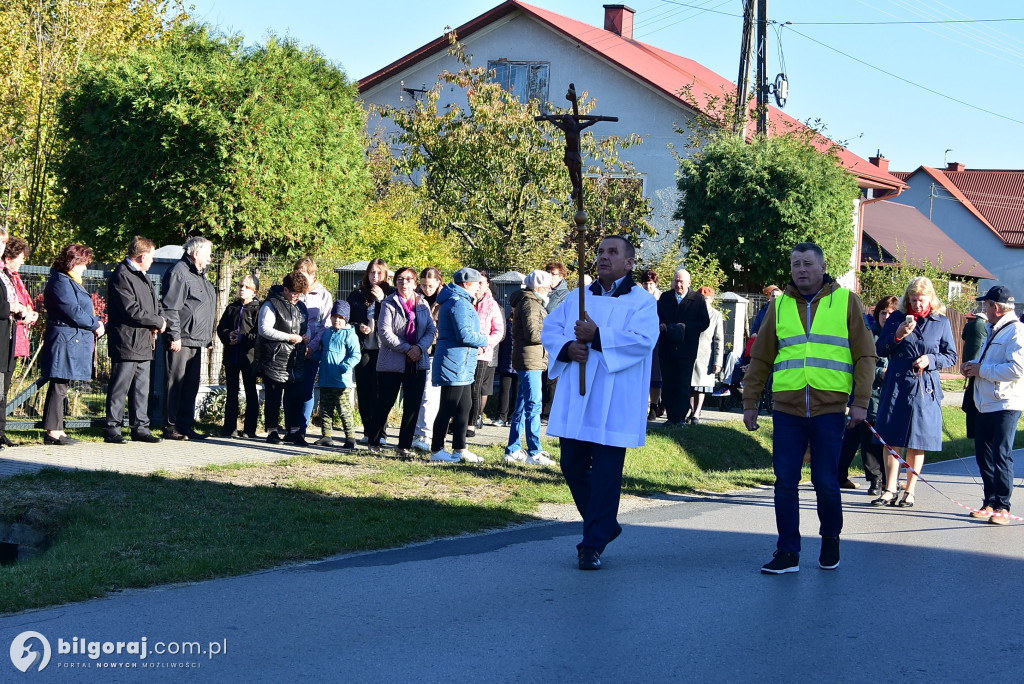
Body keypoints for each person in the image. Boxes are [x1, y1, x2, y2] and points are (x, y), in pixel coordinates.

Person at [743, 242, 876, 574]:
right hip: (787, 408)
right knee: (784, 481)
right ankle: (788, 551)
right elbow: (761, 358)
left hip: (830, 409)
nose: (800, 269)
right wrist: (750, 403)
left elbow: (866, 356)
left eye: (806, 263)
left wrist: (861, 402)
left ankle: (830, 538)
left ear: (822, 266)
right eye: (795, 264)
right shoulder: (780, 305)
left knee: (825, 481)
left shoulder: (846, 301)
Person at [542, 236, 659, 570]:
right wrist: (568, 348)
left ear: (630, 262)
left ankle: (591, 545)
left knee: (607, 473)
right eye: (600, 252)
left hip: (615, 398)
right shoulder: (578, 297)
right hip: (578, 398)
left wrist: (597, 338)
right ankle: (604, 524)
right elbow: (553, 329)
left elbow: (643, 341)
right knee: (572, 465)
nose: (603, 257)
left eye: (612, 252)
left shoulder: (641, 302)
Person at [872, 276, 957, 508]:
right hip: (897, 386)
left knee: (917, 440)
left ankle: (910, 490)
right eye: (913, 299)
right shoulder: (897, 319)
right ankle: (889, 489)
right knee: (891, 439)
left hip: (924, 387)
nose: (917, 304)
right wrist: (898, 335)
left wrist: (931, 359)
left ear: (930, 298)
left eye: (921, 300)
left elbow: (951, 356)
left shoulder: (940, 321)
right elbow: (880, 348)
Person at [961, 285, 1024, 525]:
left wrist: (981, 370)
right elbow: (989, 359)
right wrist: (972, 365)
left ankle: (1003, 507)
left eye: (985, 305)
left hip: (1006, 403)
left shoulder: (1017, 331)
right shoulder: (993, 329)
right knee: (983, 455)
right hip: (984, 402)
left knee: (1001, 454)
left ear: (995, 307)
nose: (983, 309)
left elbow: (1017, 369)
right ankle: (989, 501)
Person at [366, 267, 436, 457]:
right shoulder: (389, 303)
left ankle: (403, 446)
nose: (403, 283)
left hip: (417, 362)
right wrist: (408, 349)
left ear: (415, 283)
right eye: (399, 279)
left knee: (413, 405)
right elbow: (385, 333)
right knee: (385, 403)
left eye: (408, 279)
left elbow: (431, 329)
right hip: (392, 363)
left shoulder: (422, 304)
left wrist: (419, 348)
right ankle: (374, 441)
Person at [40, 244, 105, 445]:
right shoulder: (60, 281)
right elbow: (73, 310)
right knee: (59, 384)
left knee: (62, 384)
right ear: (73, 261)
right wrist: (95, 324)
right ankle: (53, 432)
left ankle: (58, 429)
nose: (85, 268)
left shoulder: (69, 281)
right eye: (83, 263)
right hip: (64, 339)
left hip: (70, 339)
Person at [104, 236, 165, 444]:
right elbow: (131, 310)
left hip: (144, 340)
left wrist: (159, 320)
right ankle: (113, 428)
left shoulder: (143, 276)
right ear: (142, 256)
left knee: (141, 387)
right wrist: (156, 320)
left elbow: (155, 304)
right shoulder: (122, 276)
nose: (153, 261)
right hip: (127, 340)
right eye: (151, 257)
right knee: (120, 385)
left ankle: (140, 427)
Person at [838, 295, 898, 494]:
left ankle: (886, 480)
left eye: (891, 313)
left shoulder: (899, 335)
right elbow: (861, 364)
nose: (887, 316)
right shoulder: (870, 335)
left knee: (858, 436)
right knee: (868, 437)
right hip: (869, 394)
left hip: (891, 396)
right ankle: (875, 480)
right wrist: (881, 373)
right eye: (883, 312)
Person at [430, 267, 489, 463]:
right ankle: (437, 450)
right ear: (466, 284)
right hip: (454, 362)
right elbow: (464, 334)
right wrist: (484, 339)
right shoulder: (459, 303)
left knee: (465, 404)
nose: (480, 287)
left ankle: (460, 448)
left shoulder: (460, 301)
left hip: (461, 362)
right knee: (448, 406)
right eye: (477, 283)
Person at [161, 236, 215, 441]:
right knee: (175, 383)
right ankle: (171, 426)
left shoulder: (200, 275)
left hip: (197, 339)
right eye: (208, 253)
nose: (210, 258)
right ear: (196, 253)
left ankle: (185, 425)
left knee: (191, 385)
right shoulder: (179, 273)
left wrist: (207, 337)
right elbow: (171, 307)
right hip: (181, 339)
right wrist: (174, 335)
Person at [504, 269, 555, 466]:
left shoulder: (528, 302)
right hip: (530, 359)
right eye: (548, 286)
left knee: (523, 406)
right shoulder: (531, 304)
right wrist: (552, 330)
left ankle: (513, 449)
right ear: (540, 287)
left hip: (529, 358)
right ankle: (535, 452)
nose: (550, 290)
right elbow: (534, 334)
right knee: (534, 405)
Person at [257, 271, 310, 446]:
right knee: (273, 396)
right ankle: (272, 431)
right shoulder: (271, 304)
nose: (297, 298)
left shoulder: (300, 306)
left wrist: (306, 335)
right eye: (295, 294)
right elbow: (264, 329)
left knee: (295, 397)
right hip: (274, 358)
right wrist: (289, 337)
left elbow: (305, 327)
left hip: (295, 359)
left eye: (300, 294)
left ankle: (293, 431)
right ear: (285, 290)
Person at [657, 268, 710, 426]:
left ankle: (680, 417)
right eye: (676, 280)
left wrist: (686, 327)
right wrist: (661, 325)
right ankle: (670, 416)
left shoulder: (697, 299)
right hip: (667, 347)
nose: (678, 284)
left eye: (681, 281)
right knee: (668, 382)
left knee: (682, 383)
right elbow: (656, 316)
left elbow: (704, 322)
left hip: (686, 348)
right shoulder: (665, 297)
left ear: (689, 283)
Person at [347, 258, 391, 443]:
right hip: (363, 348)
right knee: (364, 391)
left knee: (381, 392)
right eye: (372, 272)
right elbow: (346, 320)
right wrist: (359, 328)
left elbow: (397, 318)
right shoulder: (356, 294)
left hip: (384, 349)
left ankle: (381, 433)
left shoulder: (392, 294)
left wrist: (382, 300)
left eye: (379, 273)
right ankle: (367, 432)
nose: (375, 276)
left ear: (385, 274)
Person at [0, 234, 38, 447]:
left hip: (10, 339)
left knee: (3, 389)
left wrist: (25, 312)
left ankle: (1, 432)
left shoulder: (9, 276)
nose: (23, 261)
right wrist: (11, 308)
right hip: (2, 340)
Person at [216, 274, 261, 438]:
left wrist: (243, 338)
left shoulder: (258, 309)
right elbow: (221, 328)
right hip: (231, 357)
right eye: (241, 286)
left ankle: (250, 429)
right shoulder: (231, 308)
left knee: (250, 392)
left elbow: (258, 335)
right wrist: (229, 336)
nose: (242, 289)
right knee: (231, 392)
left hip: (249, 358)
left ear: (254, 291)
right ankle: (229, 427)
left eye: (247, 287)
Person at [295, 257, 333, 437]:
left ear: (312, 274)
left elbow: (326, 325)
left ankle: (302, 428)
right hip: (294, 347)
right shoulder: (294, 292)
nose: (299, 278)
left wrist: (312, 345)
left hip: (313, 350)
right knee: (292, 389)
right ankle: (291, 427)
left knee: (306, 390)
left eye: (302, 275)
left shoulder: (324, 295)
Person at [316, 300, 361, 449]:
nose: (337, 320)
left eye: (341, 317)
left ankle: (350, 438)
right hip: (325, 378)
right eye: (334, 316)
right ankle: (326, 436)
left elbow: (355, 355)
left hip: (341, 380)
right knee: (326, 408)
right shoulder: (327, 333)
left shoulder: (350, 335)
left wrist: (344, 367)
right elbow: (323, 352)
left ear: (346, 319)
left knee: (344, 410)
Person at [467, 270, 504, 436]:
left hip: (482, 353)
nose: (479, 286)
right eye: (477, 282)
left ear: (487, 285)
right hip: (464, 352)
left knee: (476, 389)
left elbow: (499, 330)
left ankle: (471, 423)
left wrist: (485, 343)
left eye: (482, 283)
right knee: (462, 389)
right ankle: (458, 420)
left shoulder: (491, 304)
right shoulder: (465, 301)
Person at [411, 267, 444, 452]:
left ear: (439, 282)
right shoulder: (417, 298)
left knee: (429, 395)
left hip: (435, 351)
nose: (426, 289)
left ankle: (425, 433)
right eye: (423, 285)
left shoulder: (444, 300)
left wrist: (426, 340)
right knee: (419, 394)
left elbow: (439, 328)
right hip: (418, 350)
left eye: (430, 285)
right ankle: (419, 432)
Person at [688, 286, 723, 424]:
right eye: (701, 298)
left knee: (701, 386)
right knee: (690, 386)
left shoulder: (716, 315)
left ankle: (697, 414)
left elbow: (719, 339)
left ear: (712, 300)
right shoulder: (691, 312)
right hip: (690, 353)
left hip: (705, 356)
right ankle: (691, 411)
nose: (704, 301)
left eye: (706, 298)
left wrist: (718, 362)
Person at [541, 261, 568, 424]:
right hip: (540, 338)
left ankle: (548, 412)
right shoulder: (543, 290)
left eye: (554, 274)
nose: (550, 276)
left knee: (552, 376)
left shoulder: (565, 295)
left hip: (556, 338)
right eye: (548, 273)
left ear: (561, 276)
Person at [639, 269, 664, 420]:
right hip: (640, 338)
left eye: (651, 284)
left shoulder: (662, 298)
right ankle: (642, 405)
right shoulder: (638, 298)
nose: (648, 287)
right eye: (645, 284)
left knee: (656, 375)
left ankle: (654, 407)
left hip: (657, 340)